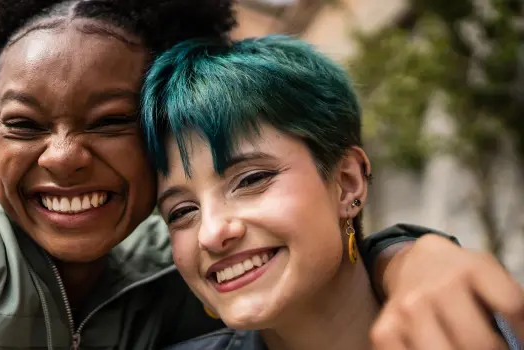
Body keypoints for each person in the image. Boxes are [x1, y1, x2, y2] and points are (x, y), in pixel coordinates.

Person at [0, 1, 524, 349]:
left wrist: (412, 253)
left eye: (108, 122)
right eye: (23, 124)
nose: (63, 156)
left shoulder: (174, 277)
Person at [141, 35, 523, 350]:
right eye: (181, 211)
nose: (211, 233)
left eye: (250, 179)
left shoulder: (495, 330)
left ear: (347, 183)